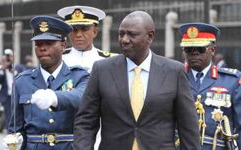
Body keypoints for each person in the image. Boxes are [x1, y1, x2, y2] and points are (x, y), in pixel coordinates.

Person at [74, 11, 200, 150]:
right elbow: (86, 122)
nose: (124, 40)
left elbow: (188, 127)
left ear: (150, 37)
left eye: (132, 34)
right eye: (121, 34)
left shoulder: (174, 71)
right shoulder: (102, 70)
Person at [4, 16, 89, 150]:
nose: (42, 48)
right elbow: (15, 127)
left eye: (49, 43)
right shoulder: (22, 81)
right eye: (38, 44)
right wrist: (15, 140)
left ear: (63, 46)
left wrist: (54, 98)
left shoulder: (79, 76)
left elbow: (81, 97)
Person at [179, 22, 241, 150]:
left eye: (200, 49)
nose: (194, 53)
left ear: (213, 50)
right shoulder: (174, 77)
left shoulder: (232, 81)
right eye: (189, 49)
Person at [57, 5, 117, 73]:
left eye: (84, 29)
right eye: (74, 30)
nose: (78, 35)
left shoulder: (110, 60)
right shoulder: (57, 59)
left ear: (94, 32)